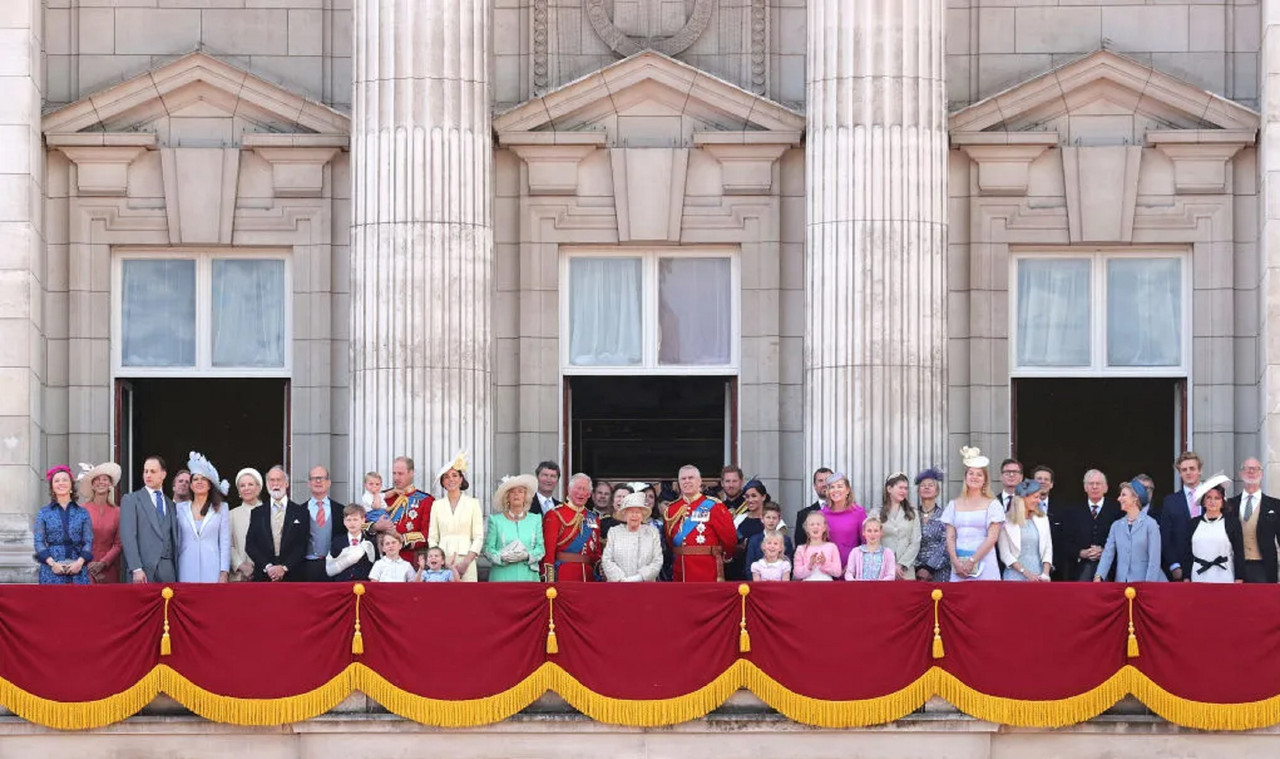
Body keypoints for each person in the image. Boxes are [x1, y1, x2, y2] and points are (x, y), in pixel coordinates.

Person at [663, 465, 737, 582]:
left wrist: (725, 557)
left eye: (691, 478)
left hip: (707, 570)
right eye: (683, 479)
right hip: (680, 571)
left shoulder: (714, 506)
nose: (687, 481)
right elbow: (670, 540)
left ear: (699, 481)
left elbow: (729, 539)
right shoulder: (672, 509)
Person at [941, 447, 1004, 581]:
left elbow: (992, 538)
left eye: (979, 474)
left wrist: (972, 561)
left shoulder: (993, 504)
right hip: (959, 565)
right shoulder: (953, 504)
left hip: (985, 562)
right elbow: (950, 537)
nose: (974, 477)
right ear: (965, 477)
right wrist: (955, 562)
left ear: (984, 480)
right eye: (971, 473)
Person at [120, 455, 179, 584]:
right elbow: (128, 536)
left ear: (163, 474)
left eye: (153, 471)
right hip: (142, 572)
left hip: (168, 571)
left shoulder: (171, 505)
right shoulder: (131, 500)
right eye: (145, 471)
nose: (148, 475)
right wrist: (136, 568)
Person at [245, 465, 309, 582]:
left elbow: (303, 545)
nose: (275, 483)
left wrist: (284, 568)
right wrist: (268, 567)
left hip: (293, 576)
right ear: (267, 484)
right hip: (264, 576)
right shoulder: (257, 513)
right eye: (271, 480)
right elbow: (250, 545)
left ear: (286, 483)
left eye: (279, 480)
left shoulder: (301, 512)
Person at [427, 451, 484, 582]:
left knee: (467, 598)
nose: (451, 479)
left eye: (454, 475)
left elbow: (478, 537)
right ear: (442, 481)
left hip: (467, 560)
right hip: (442, 562)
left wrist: (465, 563)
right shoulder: (436, 505)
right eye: (446, 477)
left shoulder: (473, 503)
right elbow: (433, 537)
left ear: (461, 479)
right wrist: (439, 559)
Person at [176, 451, 231, 583]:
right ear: (190, 485)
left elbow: (225, 542)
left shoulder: (222, 508)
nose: (199, 482)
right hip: (185, 566)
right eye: (195, 479)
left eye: (203, 479)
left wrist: (224, 572)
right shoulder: (179, 508)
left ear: (210, 484)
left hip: (213, 567)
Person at [1095, 480, 1165, 583]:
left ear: (1135, 498)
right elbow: (1108, 553)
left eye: (1123, 495)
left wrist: (1149, 586)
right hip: (1122, 584)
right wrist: (1099, 576)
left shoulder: (1150, 524)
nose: (1119, 499)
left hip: (1145, 584)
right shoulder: (1116, 526)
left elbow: (1154, 560)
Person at [33, 465, 93, 584]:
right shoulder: (44, 513)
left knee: (77, 602)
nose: (61, 483)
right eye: (57, 481)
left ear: (71, 484)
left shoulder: (82, 512)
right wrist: (52, 564)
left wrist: (79, 563)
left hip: (77, 568)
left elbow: (88, 541)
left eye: (65, 480)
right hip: (51, 569)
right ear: (52, 487)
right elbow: (38, 541)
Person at [1227, 457, 1280, 583]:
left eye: (1255, 469)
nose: (1251, 471)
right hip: (1235, 567)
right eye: (1247, 468)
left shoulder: (1275, 505)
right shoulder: (1230, 504)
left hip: (1265, 566)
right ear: (1241, 473)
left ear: (1261, 473)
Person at [484, 474, 545, 582]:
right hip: (502, 577)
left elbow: (540, 549)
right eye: (512, 492)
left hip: (528, 577)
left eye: (520, 491)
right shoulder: (496, 520)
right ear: (507, 497)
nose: (516, 494)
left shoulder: (535, 519)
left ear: (526, 496)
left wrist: (527, 555)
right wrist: (501, 557)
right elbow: (488, 550)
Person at [542, 473, 602, 581]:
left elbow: (596, 552)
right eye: (578, 488)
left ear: (589, 494)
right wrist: (548, 578)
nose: (581, 493)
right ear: (569, 490)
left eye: (585, 490)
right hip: (564, 574)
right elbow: (548, 550)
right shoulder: (555, 514)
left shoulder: (593, 518)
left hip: (589, 577)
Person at [1062, 469, 1121, 581]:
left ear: (1106, 488)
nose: (1094, 487)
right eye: (1091, 483)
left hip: (1110, 571)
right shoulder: (1072, 511)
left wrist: (1104, 551)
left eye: (1098, 484)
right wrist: (1080, 553)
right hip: (1079, 570)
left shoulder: (1117, 510)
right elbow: (1064, 541)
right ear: (1085, 487)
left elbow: (1123, 540)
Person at [1188, 474, 1243, 583]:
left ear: (1223, 502)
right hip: (1198, 576)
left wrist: (1239, 578)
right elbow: (1187, 553)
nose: (1212, 501)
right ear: (1203, 501)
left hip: (1225, 576)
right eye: (1209, 497)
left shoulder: (1232, 523)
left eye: (1217, 498)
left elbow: (1239, 552)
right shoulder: (1193, 524)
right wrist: (1186, 577)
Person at [1160, 451, 1205, 581]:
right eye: (1184, 470)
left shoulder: (1212, 497)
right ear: (1179, 473)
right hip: (1181, 566)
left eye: (1192, 468)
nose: (1188, 472)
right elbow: (1166, 537)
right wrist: (1174, 565)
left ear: (1199, 471)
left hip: (1210, 564)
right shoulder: (1170, 501)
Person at [380, 456, 434, 562]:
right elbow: (365, 524)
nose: (396, 478)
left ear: (411, 473)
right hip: (383, 560)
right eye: (394, 473)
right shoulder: (383, 497)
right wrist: (376, 527)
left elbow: (427, 534)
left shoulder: (426, 500)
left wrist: (401, 540)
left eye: (400, 474)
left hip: (409, 559)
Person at [601, 491, 664, 582]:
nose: (634, 515)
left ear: (642, 515)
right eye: (630, 512)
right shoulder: (614, 532)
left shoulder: (652, 533)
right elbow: (607, 559)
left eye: (637, 512)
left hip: (645, 587)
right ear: (624, 514)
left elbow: (657, 561)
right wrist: (621, 579)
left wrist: (639, 578)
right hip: (618, 586)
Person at [998, 479, 1053, 582]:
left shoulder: (1043, 519)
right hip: (1014, 577)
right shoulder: (1006, 522)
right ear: (1023, 498)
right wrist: (1026, 573)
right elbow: (1005, 554)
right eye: (1035, 497)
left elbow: (1048, 548)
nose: (1038, 501)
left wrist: (1045, 573)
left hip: (1039, 577)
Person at [77, 461, 122, 583]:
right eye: (97, 479)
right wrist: (89, 564)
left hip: (109, 568)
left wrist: (103, 563)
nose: (101, 482)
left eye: (105, 479)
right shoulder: (81, 510)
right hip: (85, 567)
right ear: (92, 485)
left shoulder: (118, 512)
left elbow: (118, 544)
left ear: (110, 484)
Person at [303, 465, 345, 582]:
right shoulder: (299, 511)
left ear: (329, 482)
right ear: (308, 483)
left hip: (334, 565)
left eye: (322, 478)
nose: (318, 481)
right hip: (307, 567)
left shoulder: (341, 510)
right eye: (314, 478)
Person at [879, 473, 920, 580]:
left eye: (906, 488)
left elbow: (915, 541)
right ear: (889, 489)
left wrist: (901, 564)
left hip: (906, 570)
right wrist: (890, 563)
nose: (903, 491)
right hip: (883, 567)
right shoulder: (876, 513)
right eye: (900, 487)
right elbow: (873, 540)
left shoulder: (913, 513)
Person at [729, 479, 771, 580]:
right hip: (739, 573)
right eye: (747, 497)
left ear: (763, 497)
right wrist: (739, 547)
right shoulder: (739, 519)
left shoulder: (772, 520)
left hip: (764, 575)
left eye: (754, 496)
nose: (750, 500)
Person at [821, 472, 866, 567]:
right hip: (827, 568)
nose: (835, 490)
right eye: (832, 487)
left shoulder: (858, 512)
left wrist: (853, 565)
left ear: (848, 490)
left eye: (839, 486)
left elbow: (865, 542)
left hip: (853, 568)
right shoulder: (821, 514)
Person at [914, 468, 949, 581]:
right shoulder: (911, 515)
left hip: (939, 571)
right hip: (914, 570)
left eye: (931, 485)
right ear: (918, 491)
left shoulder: (945, 515)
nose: (927, 487)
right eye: (923, 485)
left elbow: (947, 543)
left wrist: (929, 568)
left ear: (937, 491)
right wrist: (919, 567)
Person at [229, 468, 263, 582]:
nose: (246, 488)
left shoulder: (269, 512)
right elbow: (228, 545)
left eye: (250, 484)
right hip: (239, 577)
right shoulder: (231, 514)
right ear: (238, 490)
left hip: (265, 575)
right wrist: (242, 566)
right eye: (242, 485)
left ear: (258, 488)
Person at [327, 503, 376, 581]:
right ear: (344, 522)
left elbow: (375, 564)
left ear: (363, 520)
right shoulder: (337, 541)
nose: (352, 523)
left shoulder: (371, 541)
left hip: (364, 585)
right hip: (342, 585)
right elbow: (331, 564)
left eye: (355, 519)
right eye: (349, 520)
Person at [792, 511, 841, 580]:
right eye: (812, 524)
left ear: (824, 528)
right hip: (807, 587)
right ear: (806, 529)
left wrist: (825, 563)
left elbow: (837, 572)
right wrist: (810, 564)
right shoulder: (801, 549)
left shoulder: (832, 547)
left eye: (818, 524)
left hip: (827, 586)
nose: (815, 527)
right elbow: (796, 574)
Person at [743, 501, 794, 569]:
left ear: (779, 520)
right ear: (762, 519)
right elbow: (749, 566)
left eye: (774, 518)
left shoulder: (786, 540)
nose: (771, 521)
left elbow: (789, 565)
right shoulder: (754, 540)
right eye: (768, 517)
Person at [795, 467, 832, 546]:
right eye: (820, 481)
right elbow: (800, 545)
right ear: (815, 486)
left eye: (827, 480)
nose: (824, 484)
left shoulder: (847, 511)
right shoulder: (803, 515)